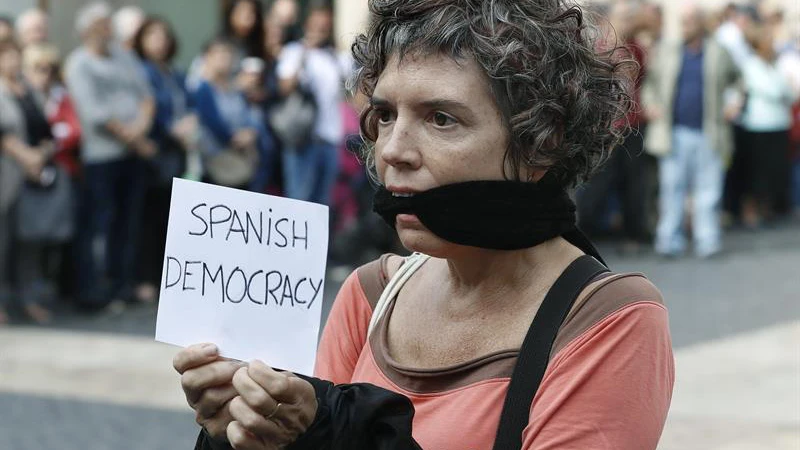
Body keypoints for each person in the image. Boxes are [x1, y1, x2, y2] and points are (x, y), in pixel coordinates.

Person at [175, 1, 675, 449]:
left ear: (541, 142)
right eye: (386, 114)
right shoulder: (370, 295)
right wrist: (247, 429)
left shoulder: (607, 319)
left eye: (441, 119)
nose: (393, 150)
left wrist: (340, 432)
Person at [65, 1, 155, 309]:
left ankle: (121, 285)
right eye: (103, 24)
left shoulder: (124, 56)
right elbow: (94, 113)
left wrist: (140, 130)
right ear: (88, 29)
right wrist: (134, 138)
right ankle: (92, 291)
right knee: (99, 225)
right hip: (102, 157)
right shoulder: (78, 63)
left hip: (132, 154)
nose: (109, 29)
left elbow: (146, 96)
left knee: (127, 224)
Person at [643, 3, 740, 258]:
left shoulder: (718, 51)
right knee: (671, 189)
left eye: (689, 21)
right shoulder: (667, 50)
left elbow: (738, 80)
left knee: (709, 191)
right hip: (673, 133)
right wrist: (651, 105)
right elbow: (649, 85)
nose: (684, 26)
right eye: (682, 21)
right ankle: (668, 242)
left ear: (700, 24)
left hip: (711, 132)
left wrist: (735, 101)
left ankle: (707, 242)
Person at [132, 16, 200, 304]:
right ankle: (145, 278)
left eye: (163, 35)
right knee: (149, 218)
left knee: (172, 220)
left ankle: (167, 278)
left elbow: (189, 103)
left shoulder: (175, 73)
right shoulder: (140, 71)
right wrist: (171, 129)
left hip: (177, 153)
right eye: (152, 35)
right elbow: (150, 110)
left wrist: (189, 124)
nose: (159, 41)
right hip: (153, 153)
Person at [577, 1, 653, 255]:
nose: (629, 21)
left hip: (632, 126)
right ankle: (582, 231)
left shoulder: (636, 49)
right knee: (598, 180)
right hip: (605, 127)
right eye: (624, 17)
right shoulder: (598, 48)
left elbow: (640, 83)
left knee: (634, 182)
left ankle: (634, 232)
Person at [0, 39, 58, 324]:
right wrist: (27, 157)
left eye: (14, 56)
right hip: (7, 175)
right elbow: (4, 135)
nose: (11, 63)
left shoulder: (29, 91)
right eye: (5, 57)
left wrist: (41, 154)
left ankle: (28, 299)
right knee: (3, 242)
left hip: (32, 178)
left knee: (29, 242)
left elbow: (47, 131)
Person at [276, 4, 344, 205]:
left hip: (330, 138)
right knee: (298, 200)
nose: (319, 31)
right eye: (316, 26)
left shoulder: (334, 57)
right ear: (306, 25)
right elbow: (285, 87)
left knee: (323, 203)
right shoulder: (294, 51)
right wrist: (304, 53)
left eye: (324, 27)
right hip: (303, 138)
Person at [193, 37, 275, 192]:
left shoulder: (235, 90)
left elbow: (248, 117)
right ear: (207, 58)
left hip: (242, 160)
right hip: (216, 163)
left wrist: (251, 133)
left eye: (227, 54)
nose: (224, 59)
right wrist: (234, 139)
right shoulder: (203, 89)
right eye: (219, 54)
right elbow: (213, 123)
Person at [738, 25, 795, 226]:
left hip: (778, 124)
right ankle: (751, 211)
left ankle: (767, 209)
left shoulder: (774, 65)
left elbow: (790, 93)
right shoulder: (752, 65)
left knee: (774, 171)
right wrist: (784, 88)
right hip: (759, 126)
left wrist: (785, 88)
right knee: (756, 172)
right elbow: (775, 91)